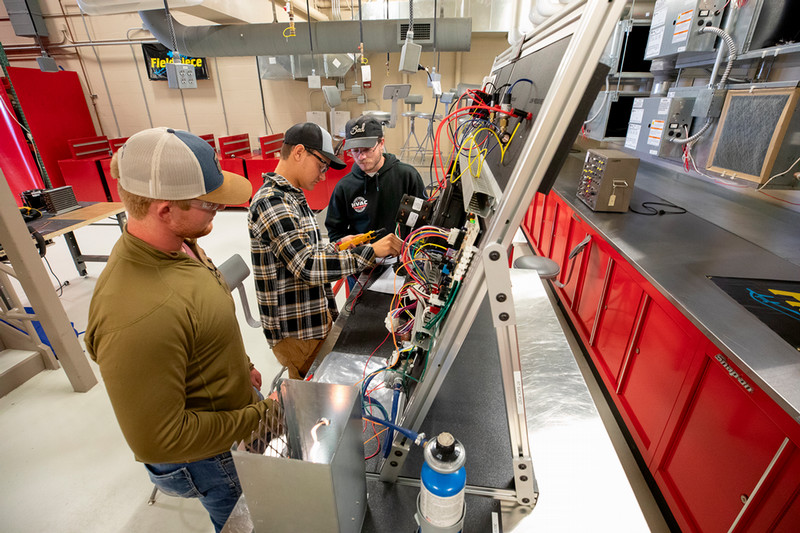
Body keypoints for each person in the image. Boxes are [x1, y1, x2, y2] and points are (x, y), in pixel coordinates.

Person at [85, 127, 278, 533]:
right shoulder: (139, 313)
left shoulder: (180, 243)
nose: (219, 209)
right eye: (208, 202)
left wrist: (237, 366)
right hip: (210, 458)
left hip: (232, 415)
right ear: (163, 209)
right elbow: (160, 440)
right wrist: (259, 414)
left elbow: (201, 306)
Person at [249, 122, 402, 379]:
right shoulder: (272, 202)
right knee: (313, 398)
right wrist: (371, 252)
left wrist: (342, 245)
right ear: (299, 152)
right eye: (322, 166)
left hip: (313, 320)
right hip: (298, 331)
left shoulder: (290, 197)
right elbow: (307, 265)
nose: (323, 176)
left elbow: (305, 251)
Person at [325, 115, 426, 244]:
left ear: (381, 143)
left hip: (402, 256)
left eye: (367, 149)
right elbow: (335, 233)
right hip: (364, 259)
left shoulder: (407, 176)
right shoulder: (344, 187)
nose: (361, 157)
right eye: (355, 151)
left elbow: (423, 224)